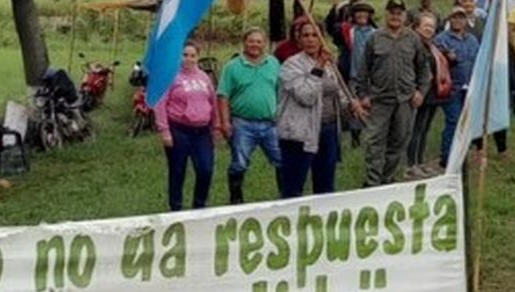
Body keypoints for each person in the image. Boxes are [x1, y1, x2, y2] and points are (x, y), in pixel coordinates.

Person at [276, 22, 364, 198]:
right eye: (306, 35)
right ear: (299, 40)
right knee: (294, 186)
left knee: (325, 187)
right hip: (300, 133)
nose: (310, 40)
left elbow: (336, 90)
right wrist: (318, 67)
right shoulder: (291, 65)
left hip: (328, 130)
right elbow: (306, 96)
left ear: (322, 39)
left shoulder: (329, 63)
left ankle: (320, 221)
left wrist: (351, 103)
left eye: (315, 35)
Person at [355, 0, 431, 186]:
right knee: (374, 143)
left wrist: (421, 92)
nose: (395, 16)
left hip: (405, 100)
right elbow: (363, 69)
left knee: (399, 142)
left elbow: (423, 69)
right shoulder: (375, 38)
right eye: (392, 12)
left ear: (404, 16)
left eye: (399, 13)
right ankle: (372, 182)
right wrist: (363, 95)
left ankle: (386, 179)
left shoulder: (413, 38)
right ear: (386, 14)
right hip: (379, 100)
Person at [216, 29, 282, 204]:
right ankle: (236, 200)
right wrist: (224, 122)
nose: (255, 45)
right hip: (242, 123)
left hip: (271, 123)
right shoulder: (232, 67)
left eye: (259, 41)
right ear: (244, 43)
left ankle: (287, 197)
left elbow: (280, 91)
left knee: (282, 160)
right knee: (239, 163)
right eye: (251, 41)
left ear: (265, 44)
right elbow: (223, 95)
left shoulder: (273, 63)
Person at [154, 42, 217, 211]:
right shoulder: (170, 76)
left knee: (206, 169)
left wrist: (215, 127)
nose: (188, 59)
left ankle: (199, 206)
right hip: (179, 130)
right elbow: (160, 104)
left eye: (192, 55)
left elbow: (213, 101)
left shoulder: (204, 77)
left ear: (197, 57)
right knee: (177, 171)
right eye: (185, 55)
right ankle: (176, 208)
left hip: (202, 131)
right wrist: (165, 131)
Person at [405, 13, 450, 176]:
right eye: (426, 26)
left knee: (425, 129)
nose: (429, 29)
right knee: (416, 129)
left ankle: (421, 161)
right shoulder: (414, 45)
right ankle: (411, 164)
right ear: (417, 27)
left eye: (432, 26)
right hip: (420, 93)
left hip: (433, 94)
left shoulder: (432, 46)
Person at [435, 7, 480, 159]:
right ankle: (446, 156)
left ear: (466, 20)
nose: (458, 20)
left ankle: (461, 153)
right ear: (449, 19)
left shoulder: (472, 40)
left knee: (466, 122)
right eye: (454, 17)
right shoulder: (441, 39)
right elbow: (437, 63)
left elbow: (478, 61)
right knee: (453, 120)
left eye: (461, 17)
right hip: (452, 87)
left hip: (469, 88)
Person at [325, 0, 368, 79]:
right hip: (346, 49)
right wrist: (333, 10)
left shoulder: (368, 8)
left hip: (363, 50)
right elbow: (330, 27)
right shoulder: (342, 7)